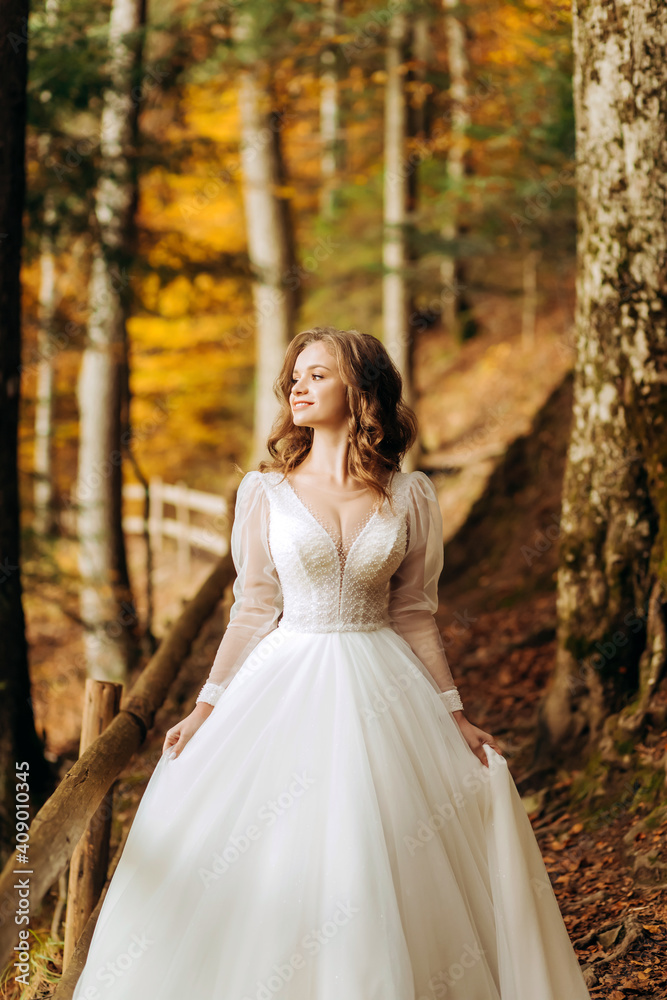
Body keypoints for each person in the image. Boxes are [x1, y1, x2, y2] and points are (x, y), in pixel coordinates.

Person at [71, 327, 591, 1000]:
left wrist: (454, 716)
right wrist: (206, 707)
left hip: (385, 686)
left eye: (317, 375)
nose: (297, 386)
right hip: (283, 681)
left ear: (361, 391)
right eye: (295, 375)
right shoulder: (264, 493)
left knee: (383, 847)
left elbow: (412, 614)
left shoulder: (409, 498)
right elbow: (254, 607)